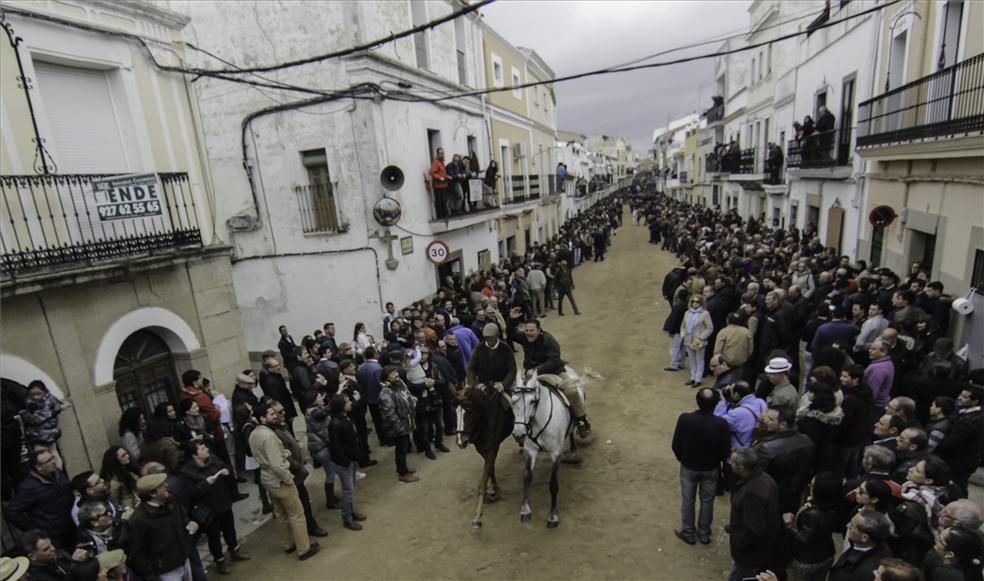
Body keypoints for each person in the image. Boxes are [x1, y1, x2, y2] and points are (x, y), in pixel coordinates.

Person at [248, 401, 319, 561]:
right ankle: (303, 549)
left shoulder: (254, 433)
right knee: (297, 514)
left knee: (280, 513)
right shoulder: (268, 435)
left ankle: (288, 544)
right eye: (271, 414)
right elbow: (276, 464)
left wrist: (284, 453)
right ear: (261, 418)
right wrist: (288, 478)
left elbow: (269, 455)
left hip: (267, 479)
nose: (275, 416)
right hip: (279, 480)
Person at [179, 439, 250, 575]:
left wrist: (227, 472)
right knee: (214, 536)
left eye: (206, 447)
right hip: (208, 510)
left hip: (223, 502)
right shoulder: (187, 472)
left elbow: (225, 467)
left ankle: (234, 550)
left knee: (230, 529)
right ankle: (220, 560)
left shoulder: (213, 460)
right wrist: (206, 483)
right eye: (202, 449)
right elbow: (191, 493)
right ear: (194, 455)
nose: (206, 450)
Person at [671, 388, 730, 545]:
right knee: (707, 500)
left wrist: (683, 458)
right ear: (716, 404)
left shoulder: (685, 419)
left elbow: (676, 445)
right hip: (710, 468)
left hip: (689, 466)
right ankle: (704, 533)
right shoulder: (722, 424)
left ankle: (688, 532)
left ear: (697, 402)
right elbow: (725, 451)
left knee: (688, 500)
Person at [127, 473, 198, 581]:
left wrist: (189, 522)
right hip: (166, 571)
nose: (167, 485)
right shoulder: (138, 520)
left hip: (184, 559)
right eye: (161, 485)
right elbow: (138, 554)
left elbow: (182, 516)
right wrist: (151, 577)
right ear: (152, 493)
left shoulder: (171, 501)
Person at [727, 447, 783, 581]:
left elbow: (754, 531)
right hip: (761, 550)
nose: (730, 463)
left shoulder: (752, 493)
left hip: (750, 556)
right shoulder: (765, 478)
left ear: (741, 468)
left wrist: (737, 540)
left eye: (733, 462)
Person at [6, 449, 76, 550]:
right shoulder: (28, 487)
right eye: (48, 461)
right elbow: (11, 512)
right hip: (54, 535)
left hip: (70, 526)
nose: (53, 461)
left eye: (52, 458)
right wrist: (35, 529)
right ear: (39, 467)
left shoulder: (58, 474)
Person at [754, 406, 816, 514]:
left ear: (783, 425)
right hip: (794, 495)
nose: (766, 420)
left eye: (771, 419)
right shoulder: (807, 441)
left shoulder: (766, 448)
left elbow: (757, 478)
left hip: (771, 497)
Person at [783, 472, 842, 581]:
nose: (810, 487)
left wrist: (789, 524)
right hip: (827, 554)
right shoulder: (836, 508)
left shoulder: (812, 515)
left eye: (812, 485)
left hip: (806, 560)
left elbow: (803, 538)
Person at [327, 393, 367, 531]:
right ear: (341, 406)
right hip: (344, 462)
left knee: (350, 489)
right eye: (347, 401)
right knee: (348, 490)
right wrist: (345, 461)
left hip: (351, 459)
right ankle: (347, 518)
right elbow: (336, 446)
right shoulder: (335, 423)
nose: (350, 403)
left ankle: (350, 511)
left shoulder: (345, 418)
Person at [935, 385, 984, 497]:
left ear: (975, 401)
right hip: (970, 457)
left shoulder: (969, 421)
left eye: (965, 397)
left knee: (957, 485)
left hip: (961, 460)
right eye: (961, 394)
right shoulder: (973, 413)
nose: (960, 398)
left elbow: (951, 443)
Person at [379, 365, 419, 483]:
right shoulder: (386, 391)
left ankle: (403, 468)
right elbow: (389, 413)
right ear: (387, 377)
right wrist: (400, 428)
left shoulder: (398, 384)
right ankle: (402, 473)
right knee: (401, 449)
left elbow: (404, 396)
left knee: (403, 447)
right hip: (398, 426)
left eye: (396, 372)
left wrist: (411, 400)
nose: (396, 374)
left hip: (405, 423)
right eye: (392, 373)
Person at [828, 511, 893, 581]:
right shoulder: (870, 544)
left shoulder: (866, 573)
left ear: (864, 537)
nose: (848, 525)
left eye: (852, 525)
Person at [19, 381, 66, 472]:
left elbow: (37, 419)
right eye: (33, 395)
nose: (36, 397)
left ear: (44, 392)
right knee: (53, 453)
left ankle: (53, 474)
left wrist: (24, 414)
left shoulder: (46, 403)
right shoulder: (49, 400)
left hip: (41, 436)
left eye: (38, 394)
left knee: (41, 458)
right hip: (49, 434)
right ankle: (58, 472)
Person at [21, 529, 98, 581]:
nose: (53, 548)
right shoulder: (36, 577)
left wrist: (87, 559)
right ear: (32, 556)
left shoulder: (59, 554)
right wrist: (76, 564)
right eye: (46, 549)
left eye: (51, 544)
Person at [681, 294, 713, 388]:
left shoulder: (705, 314)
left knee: (699, 360)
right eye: (693, 301)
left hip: (699, 341)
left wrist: (701, 337)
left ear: (701, 303)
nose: (695, 303)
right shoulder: (687, 313)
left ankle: (698, 379)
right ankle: (693, 377)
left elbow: (710, 328)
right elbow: (683, 326)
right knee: (691, 359)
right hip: (688, 339)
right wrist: (683, 334)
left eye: (697, 301)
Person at [430, 147, 450, 218]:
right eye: (441, 153)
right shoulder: (435, 162)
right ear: (437, 154)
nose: (442, 155)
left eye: (443, 153)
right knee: (439, 201)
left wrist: (447, 177)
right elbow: (432, 173)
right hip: (438, 186)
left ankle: (445, 214)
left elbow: (442, 173)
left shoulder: (441, 162)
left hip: (444, 185)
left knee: (444, 201)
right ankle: (440, 215)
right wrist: (439, 177)